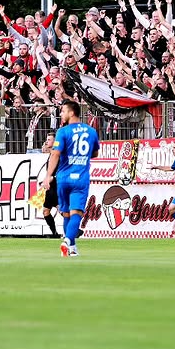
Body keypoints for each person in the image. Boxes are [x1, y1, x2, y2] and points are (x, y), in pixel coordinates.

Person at [43, 99, 99, 258]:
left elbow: (55, 154)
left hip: (63, 178)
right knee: (77, 213)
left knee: (66, 213)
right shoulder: (91, 131)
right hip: (80, 178)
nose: (61, 114)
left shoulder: (63, 132)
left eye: (63, 111)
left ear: (72, 112)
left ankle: (72, 248)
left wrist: (48, 175)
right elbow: (95, 153)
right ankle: (67, 240)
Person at [38, 131, 61, 238]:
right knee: (46, 211)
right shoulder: (52, 154)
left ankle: (75, 229)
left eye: (49, 140)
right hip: (50, 186)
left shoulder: (57, 155)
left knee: (61, 210)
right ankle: (54, 233)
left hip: (56, 186)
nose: (46, 142)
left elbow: (62, 171)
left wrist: (53, 178)